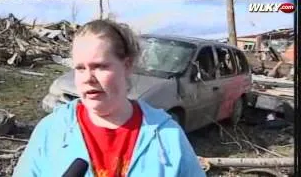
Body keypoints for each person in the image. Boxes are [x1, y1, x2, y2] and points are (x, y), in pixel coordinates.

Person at [13, 19, 206, 177]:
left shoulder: (166, 135)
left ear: (127, 65)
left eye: (100, 66)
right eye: (80, 68)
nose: (88, 78)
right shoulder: (51, 130)